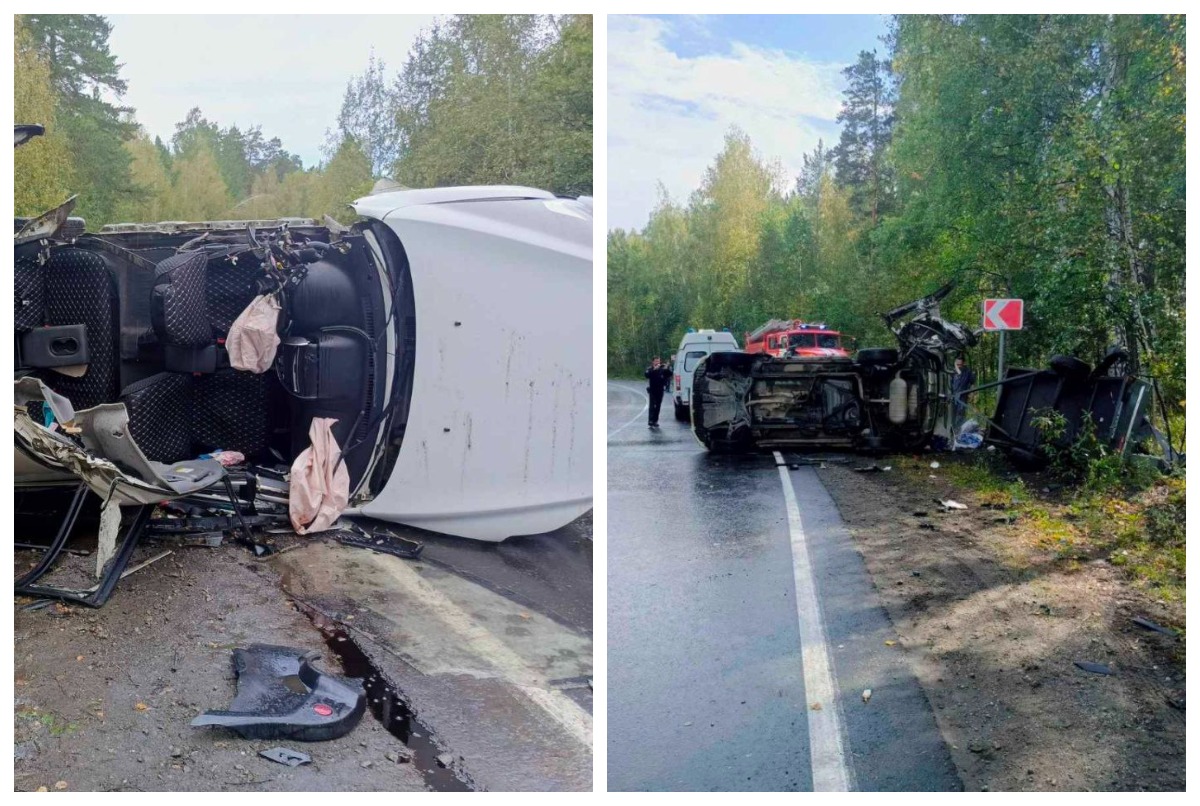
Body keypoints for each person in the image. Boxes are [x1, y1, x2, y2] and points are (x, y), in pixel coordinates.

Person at [644, 356, 672, 428]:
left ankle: (655, 421)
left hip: (660, 390)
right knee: (652, 406)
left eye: (658, 361)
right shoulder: (650, 368)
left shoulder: (662, 369)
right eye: (656, 361)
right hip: (653, 390)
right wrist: (654, 369)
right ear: (653, 362)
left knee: (658, 406)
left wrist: (666, 368)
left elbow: (669, 374)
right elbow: (646, 375)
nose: (657, 362)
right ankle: (650, 421)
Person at [951, 356, 976, 431]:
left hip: (963, 395)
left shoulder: (968, 371)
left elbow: (973, 383)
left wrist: (972, 393)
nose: (958, 366)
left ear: (964, 363)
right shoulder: (952, 371)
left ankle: (959, 429)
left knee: (961, 412)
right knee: (952, 412)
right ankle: (952, 429)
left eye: (960, 364)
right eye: (957, 364)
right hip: (952, 395)